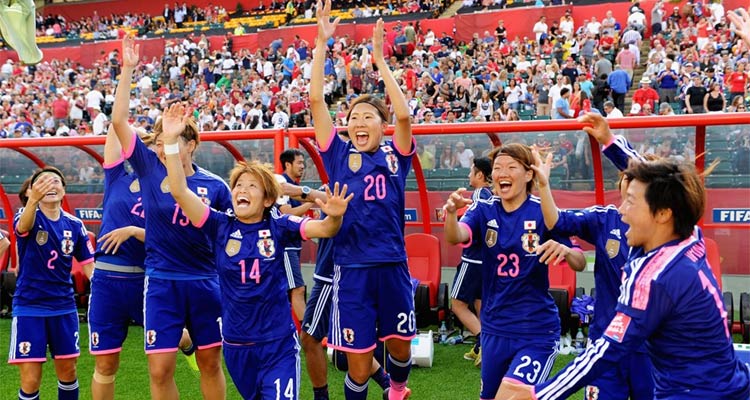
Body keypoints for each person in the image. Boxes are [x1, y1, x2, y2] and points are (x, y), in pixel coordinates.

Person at [497, 157, 750, 400]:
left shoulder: (657, 277)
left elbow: (608, 350)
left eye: (630, 201)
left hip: (694, 392)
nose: (622, 210)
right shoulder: (689, 238)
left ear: (662, 213)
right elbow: (673, 186)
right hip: (723, 384)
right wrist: (609, 143)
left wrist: (540, 393)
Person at [159, 102, 353, 399]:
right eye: (238, 185)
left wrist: (335, 215)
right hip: (237, 345)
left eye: (251, 186)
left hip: (277, 344)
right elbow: (179, 191)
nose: (241, 191)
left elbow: (325, 229)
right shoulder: (218, 224)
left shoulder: (280, 225)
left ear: (266, 200)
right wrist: (171, 142)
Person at [112, 35, 231, 400]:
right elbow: (118, 122)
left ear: (190, 144)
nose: (164, 147)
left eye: (174, 141)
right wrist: (128, 70)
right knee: (160, 368)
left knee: (210, 362)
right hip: (162, 280)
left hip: (204, 280)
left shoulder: (215, 186)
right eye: (161, 141)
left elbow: (226, 236)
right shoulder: (149, 169)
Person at [311, 2, 416, 398]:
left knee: (400, 347)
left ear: (381, 125)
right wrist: (322, 44)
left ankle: (398, 390)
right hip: (351, 268)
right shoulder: (337, 153)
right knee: (357, 362)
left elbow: (404, 118)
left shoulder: (395, 154)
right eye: (353, 116)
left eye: (367, 116)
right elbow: (317, 101)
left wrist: (380, 62)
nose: (358, 121)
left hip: (392, 264)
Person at [443, 143, 586, 400]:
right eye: (497, 168)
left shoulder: (543, 210)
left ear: (529, 174)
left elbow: (580, 262)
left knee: (512, 397)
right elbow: (456, 236)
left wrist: (565, 251)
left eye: (511, 167)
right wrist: (451, 214)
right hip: (494, 328)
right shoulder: (483, 209)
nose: (501, 173)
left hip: (536, 331)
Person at [528, 113, 655, 400]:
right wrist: (544, 186)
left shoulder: (667, 232)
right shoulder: (605, 219)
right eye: (627, 178)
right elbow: (556, 223)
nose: (629, 183)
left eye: (638, 181)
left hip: (651, 349)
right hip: (606, 344)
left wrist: (610, 142)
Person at [88, 126, 197, 400]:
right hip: (107, 281)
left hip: (148, 280)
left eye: (156, 148)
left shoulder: (172, 186)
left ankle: (186, 340)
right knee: (105, 364)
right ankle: (185, 338)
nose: (148, 154)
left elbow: (175, 236)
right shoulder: (117, 177)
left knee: (159, 367)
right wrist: (141, 130)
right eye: (147, 147)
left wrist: (134, 232)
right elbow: (116, 126)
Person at [9, 167, 96, 400]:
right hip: (30, 307)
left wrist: (105, 293)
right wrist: (33, 202)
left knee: (68, 371)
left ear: (64, 190)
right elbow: (23, 227)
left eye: (56, 181)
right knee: (30, 379)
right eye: (43, 182)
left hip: (64, 307)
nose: (51, 185)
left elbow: (90, 267)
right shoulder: (26, 215)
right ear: (30, 191)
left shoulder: (75, 225)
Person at [450, 157, 493, 367]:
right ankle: (480, 348)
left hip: (473, 259)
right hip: (487, 260)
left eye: (471, 172)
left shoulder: (478, 196)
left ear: (480, 176)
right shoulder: (492, 196)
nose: (468, 176)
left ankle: (484, 342)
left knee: (457, 305)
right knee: (479, 304)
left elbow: (473, 227)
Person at [278, 149, 313, 325]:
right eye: (299, 162)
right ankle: (309, 331)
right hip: (285, 246)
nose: (302, 166)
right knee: (297, 289)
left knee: (289, 290)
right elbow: (287, 214)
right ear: (288, 164)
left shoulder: (293, 185)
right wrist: (311, 201)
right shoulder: (281, 183)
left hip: (293, 245)